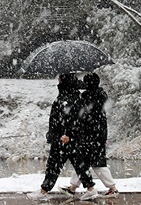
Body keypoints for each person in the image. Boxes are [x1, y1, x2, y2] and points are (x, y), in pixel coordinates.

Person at [27, 73, 97, 201]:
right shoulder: (72, 96)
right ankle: (91, 189)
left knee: (54, 164)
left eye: (60, 78)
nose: (58, 80)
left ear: (65, 81)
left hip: (63, 138)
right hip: (66, 138)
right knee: (79, 164)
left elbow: (72, 118)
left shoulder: (68, 97)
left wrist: (67, 134)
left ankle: (43, 191)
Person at [60, 72, 119, 200]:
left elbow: (81, 117)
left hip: (90, 135)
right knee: (83, 163)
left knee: (96, 164)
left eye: (85, 82)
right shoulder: (100, 95)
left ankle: (112, 189)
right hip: (98, 135)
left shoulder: (88, 97)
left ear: (88, 84)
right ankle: (72, 188)